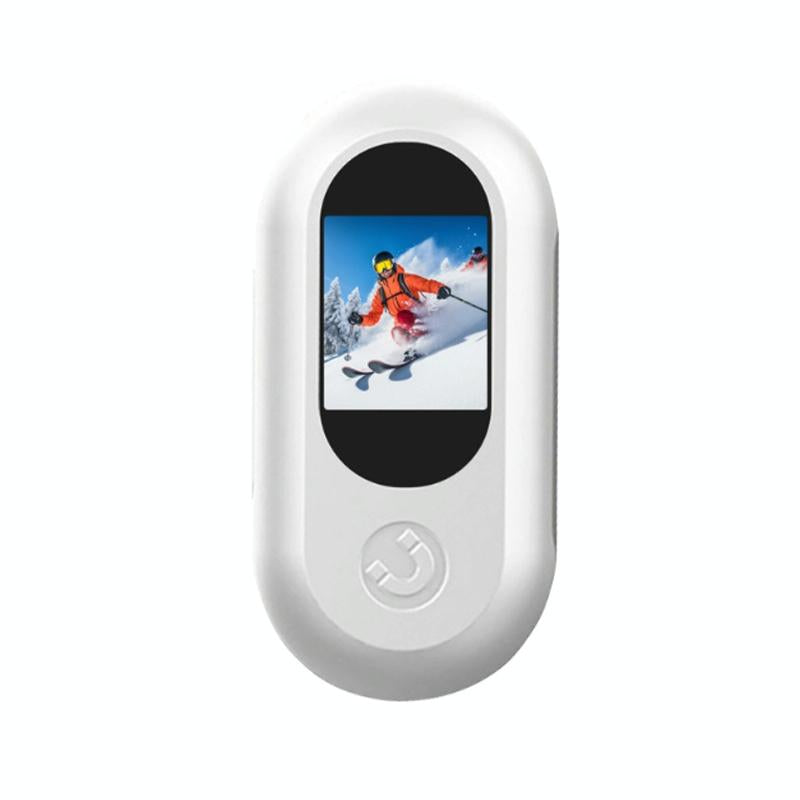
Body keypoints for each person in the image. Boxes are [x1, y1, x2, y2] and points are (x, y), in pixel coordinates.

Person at [348, 250, 451, 346]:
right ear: (377, 271)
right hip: (403, 323)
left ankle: (425, 339)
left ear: (392, 264)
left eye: (387, 265)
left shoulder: (405, 279)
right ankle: (411, 347)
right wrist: (361, 319)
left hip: (420, 315)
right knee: (396, 332)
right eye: (380, 267)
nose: (384, 270)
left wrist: (440, 288)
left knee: (402, 317)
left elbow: (426, 284)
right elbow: (374, 316)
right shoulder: (381, 293)